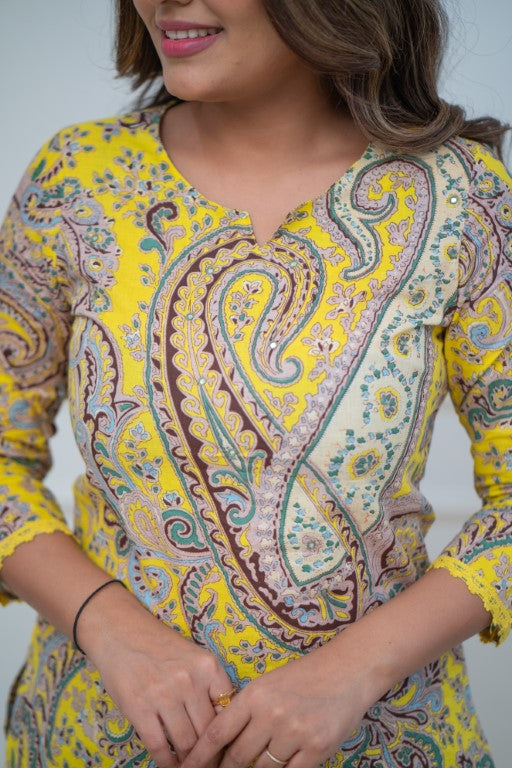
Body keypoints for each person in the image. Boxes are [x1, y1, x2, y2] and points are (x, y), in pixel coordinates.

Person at [1, 0, 511, 766]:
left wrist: (352, 671)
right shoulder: (76, 180)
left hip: (384, 744)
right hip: (90, 738)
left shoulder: (463, 198)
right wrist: (108, 625)